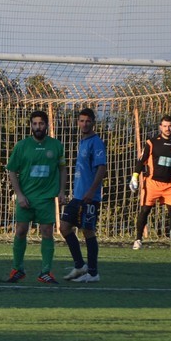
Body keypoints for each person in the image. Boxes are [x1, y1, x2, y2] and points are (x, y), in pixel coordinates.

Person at [5, 110, 67, 284]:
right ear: (31, 126)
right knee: (21, 231)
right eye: (35, 124)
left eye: (41, 123)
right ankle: (17, 269)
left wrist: (62, 191)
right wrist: (19, 195)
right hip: (26, 198)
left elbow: (62, 169)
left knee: (47, 232)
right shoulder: (22, 146)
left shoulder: (56, 145)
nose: (38, 127)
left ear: (46, 125)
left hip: (46, 199)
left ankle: (45, 272)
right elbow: (11, 171)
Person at [60, 107, 107, 282]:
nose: (84, 124)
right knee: (64, 227)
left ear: (93, 122)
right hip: (78, 196)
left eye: (88, 121)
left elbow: (101, 168)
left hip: (89, 197)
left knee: (88, 231)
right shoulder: (82, 142)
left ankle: (93, 273)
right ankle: (80, 266)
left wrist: (92, 191)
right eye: (81, 121)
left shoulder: (96, 142)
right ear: (78, 122)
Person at [129, 114, 171, 250]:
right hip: (151, 183)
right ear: (160, 127)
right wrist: (134, 177)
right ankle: (138, 239)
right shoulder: (152, 143)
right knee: (145, 211)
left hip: (169, 184)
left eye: (170, 126)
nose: (167, 128)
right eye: (165, 126)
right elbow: (141, 161)